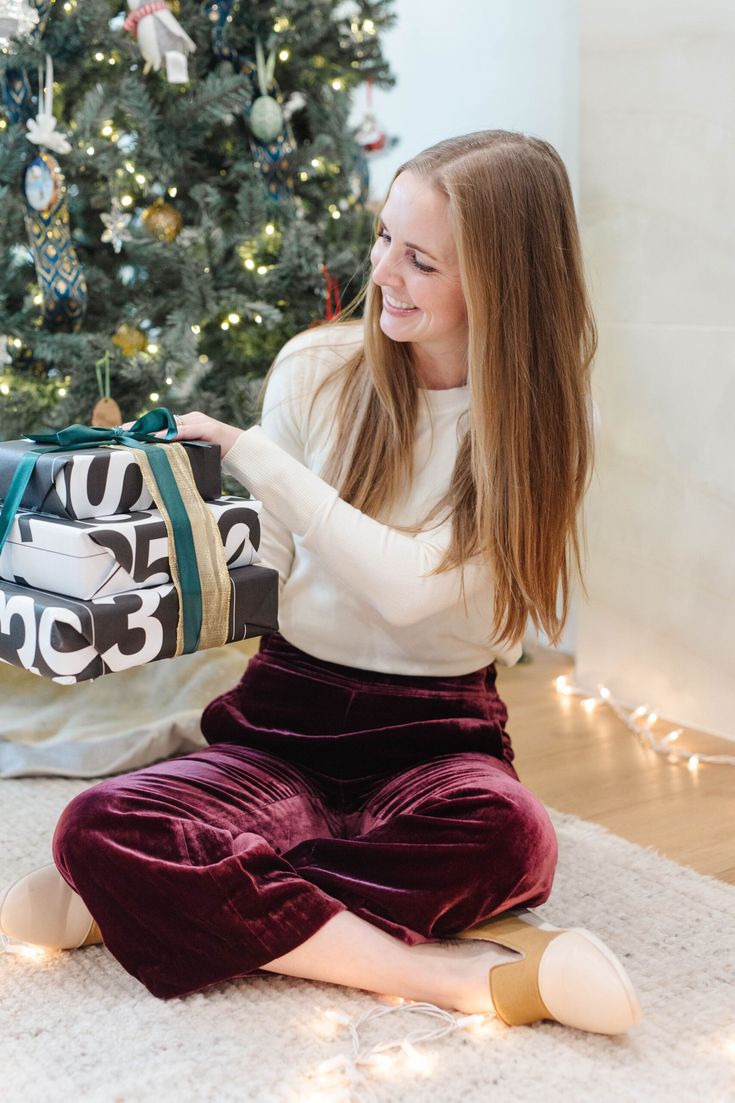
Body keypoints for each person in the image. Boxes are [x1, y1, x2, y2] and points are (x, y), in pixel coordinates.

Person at [0, 130, 642, 1034]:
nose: (384, 272)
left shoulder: (552, 419)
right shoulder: (317, 369)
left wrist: (249, 454)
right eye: (384, 240)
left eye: (420, 261)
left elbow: (413, 591)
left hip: (437, 732)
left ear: (500, 284)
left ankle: (140, 905)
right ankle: (453, 978)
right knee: (94, 827)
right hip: (282, 718)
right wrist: (119, 559)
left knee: (513, 841)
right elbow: (271, 560)